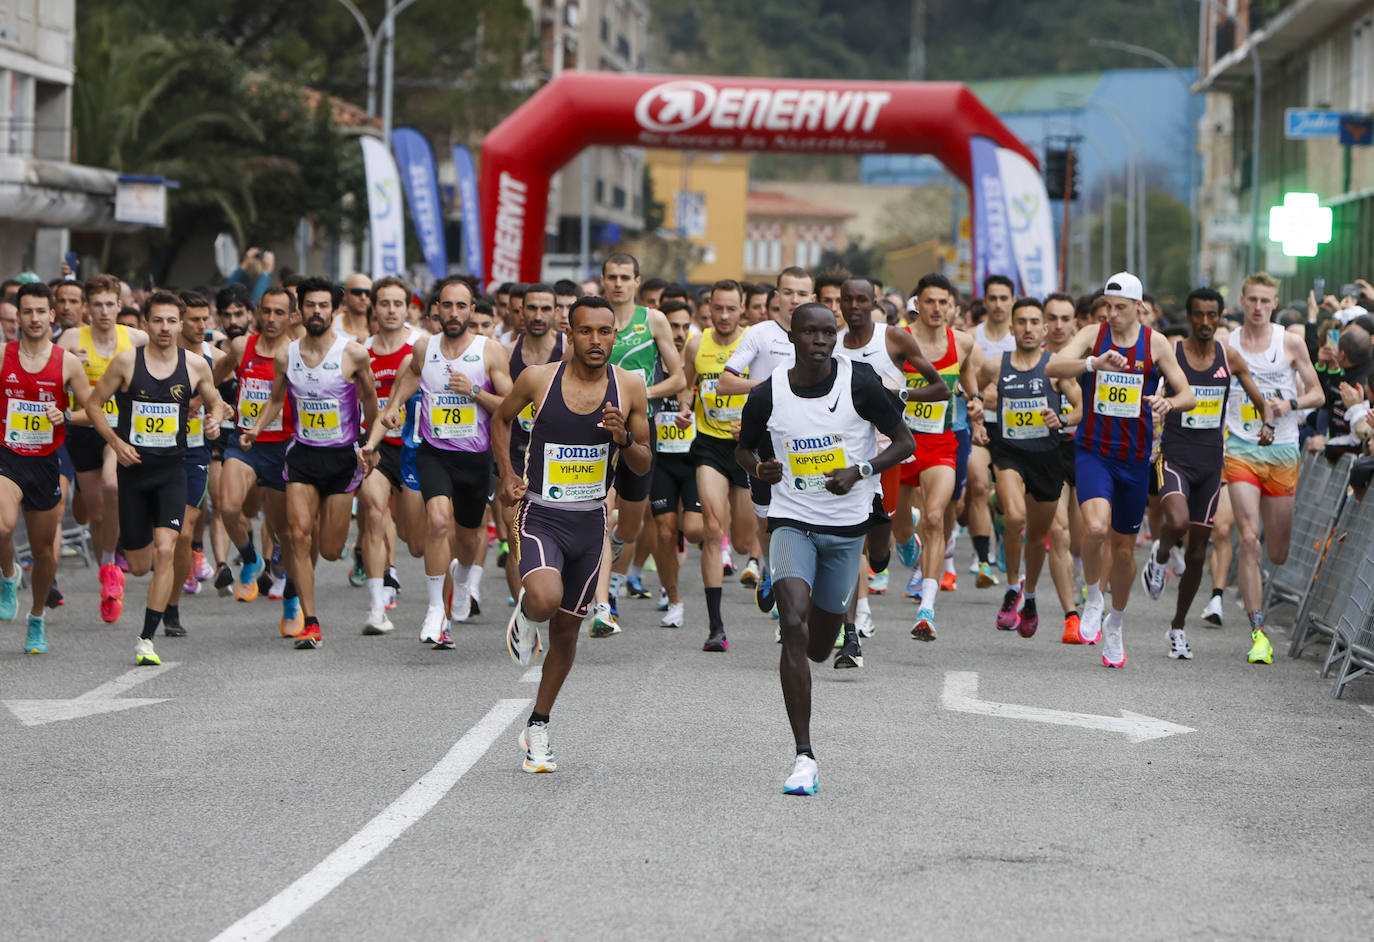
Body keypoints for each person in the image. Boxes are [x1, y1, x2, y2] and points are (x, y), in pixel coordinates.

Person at [735, 302, 913, 795]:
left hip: (847, 529)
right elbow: (744, 448)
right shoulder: (767, 393)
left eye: (826, 332)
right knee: (792, 623)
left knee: (817, 646)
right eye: (809, 333)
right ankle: (804, 756)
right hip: (791, 521)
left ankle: (823, 617)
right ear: (791, 338)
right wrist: (758, 469)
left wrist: (859, 471)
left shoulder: (858, 382)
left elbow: (904, 442)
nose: (819, 340)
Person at [492, 296, 652, 773]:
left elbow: (644, 464)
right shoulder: (539, 379)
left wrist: (624, 439)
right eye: (586, 332)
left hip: (590, 524)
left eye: (605, 332)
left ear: (615, 336)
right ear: (571, 333)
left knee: (565, 633)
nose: (596, 341)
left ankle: (537, 726)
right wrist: (505, 474)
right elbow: (501, 420)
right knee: (543, 599)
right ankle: (526, 610)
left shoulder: (630, 389)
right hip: (540, 512)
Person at [1047, 272, 1195, 669]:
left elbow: (1189, 393)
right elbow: (1053, 367)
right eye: (1107, 307)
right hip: (1094, 451)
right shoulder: (1095, 335)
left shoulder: (1156, 343)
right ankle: (1093, 597)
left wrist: (1169, 404)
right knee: (1095, 528)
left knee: (1125, 551)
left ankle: (1116, 622)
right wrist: (1092, 363)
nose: (1111, 314)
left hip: (1134, 458)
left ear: (1138, 308)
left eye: (1120, 308)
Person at [85, 291, 225, 666]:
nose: (165, 328)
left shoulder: (195, 366)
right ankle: (122, 574)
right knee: (141, 564)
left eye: (171, 321)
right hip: (134, 473)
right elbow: (93, 404)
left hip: (171, 471)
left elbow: (216, 402)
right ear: (146, 324)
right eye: (158, 321)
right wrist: (115, 442)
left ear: (181, 325)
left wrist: (215, 419)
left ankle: (146, 638)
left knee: (167, 549)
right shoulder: (127, 362)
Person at [376, 275, 512, 647]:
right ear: (436, 309)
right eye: (446, 305)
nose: (453, 313)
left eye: (461, 306)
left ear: (472, 309)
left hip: (475, 457)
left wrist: (475, 392)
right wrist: (394, 406)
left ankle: (464, 578)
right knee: (437, 522)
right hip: (435, 453)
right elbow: (412, 378)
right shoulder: (425, 346)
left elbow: (512, 405)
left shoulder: (490, 351)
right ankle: (436, 609)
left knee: (468, 539)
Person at [244, 277, 377, 649]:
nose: (316, 312)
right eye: (310, 305)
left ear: (334, 311)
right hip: (302, 456)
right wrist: (255, 429)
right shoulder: (287, 354)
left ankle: (346, 548)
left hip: (341, 459)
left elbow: (369, 398)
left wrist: (371, 441)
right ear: (299, 310)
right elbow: (275, 398)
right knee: (297, 537)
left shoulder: (353, 354)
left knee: (330, 549)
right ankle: (311, 622)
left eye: (324, 305)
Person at [1140, 287, 1271, 658]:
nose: (1206, 322)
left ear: (1219, 316)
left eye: (1212, 315)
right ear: (1189, 315)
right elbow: (1147, 390)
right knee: (1177, 521)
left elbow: (1257, 397)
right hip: (1175, 456)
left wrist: (1267, 424)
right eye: (1199, 315)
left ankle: (1177, 628)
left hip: (1211, 463)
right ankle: (1161, 554)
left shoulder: (1228, 357)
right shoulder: (1174, 353)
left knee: (1198, 552)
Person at [834, 277, 945, 650]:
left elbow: (940, 388)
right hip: (844, 455)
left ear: (873, 302)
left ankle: (901, 537)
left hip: (888, 453)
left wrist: (898, 392)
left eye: (861, 300)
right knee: (849, 539)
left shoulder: (893, 338)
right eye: (846, 299)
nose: (853, 306)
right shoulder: (830, 344)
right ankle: (853, 620)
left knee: (878, 555)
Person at [1218, 272, 1323, 664]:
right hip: (1242, 447)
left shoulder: (1290, 342)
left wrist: (1287, 405)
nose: (1258, 307)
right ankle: (1258, 633)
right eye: (1252, 300)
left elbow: (1318, 393)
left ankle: (1263, 577)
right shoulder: (1226, 345)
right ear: (1242, 301)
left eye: (1265, 301)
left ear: (1274, 303)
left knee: (1276, 551)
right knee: (1249, 538)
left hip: (1281, 452)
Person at [0, 283, 101, 654]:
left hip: (46, 461)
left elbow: (92, 411)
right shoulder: (3, 355)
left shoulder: (67, 362)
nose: (34, 318)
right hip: (7, 455)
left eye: (41, 311)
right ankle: (8, 576)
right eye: (27, 311)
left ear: (51, 315)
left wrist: (66, 414)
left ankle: (37, 617)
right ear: (18, 316)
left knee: (45, 553)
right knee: (2, 525)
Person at [590, 254, 684, 637]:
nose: (617, 283)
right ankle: (600, 605)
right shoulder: (594, 320)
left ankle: (613, 548)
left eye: (624, 277)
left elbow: (677, 378)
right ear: (602, 280)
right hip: (596, 428)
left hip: (640, 430)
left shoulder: (653, 320)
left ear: (637, 281)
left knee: (629, 525)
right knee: (599, 510)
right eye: (611, 277)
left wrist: (641, 393)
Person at [976, 298, 1081, 638]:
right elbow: (973, 391)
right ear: (1011, 328)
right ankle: (1011, 587)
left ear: (1045, 328)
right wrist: (977, 417)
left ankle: (1030, 596)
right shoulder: (996, 366)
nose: (1028, 328)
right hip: (1009, 455)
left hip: (1047, 459)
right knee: (1015, 518)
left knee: (1037, 537)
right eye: (1021, 322)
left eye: (1035, 322)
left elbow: (1080, 408)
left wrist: (1062, 418)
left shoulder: (1054, 366)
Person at [718, 267, 817, 611]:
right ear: (775, 297)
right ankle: (772, 570)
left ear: (812, 298)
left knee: (806, 516)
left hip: (808, 441)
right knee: (767, 519)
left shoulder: (821, 336)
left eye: (801, 294)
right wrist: (768, 387)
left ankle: (797, 583)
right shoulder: (759, 335)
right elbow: (725, 382)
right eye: (787, 292)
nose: (794, 300)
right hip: (763, 440)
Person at [892, 273, 981, 642]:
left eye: (943, 302)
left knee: (933, 517)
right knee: (899, 525)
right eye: (929, 301)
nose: (937, 309)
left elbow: (969, 383)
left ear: (952, 306)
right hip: (898, 443)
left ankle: (927, 607)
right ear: (917, 303)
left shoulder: (962, 343)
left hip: (941, 442)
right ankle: (903, 541)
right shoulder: (897, 339)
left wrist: (975, 403)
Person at [58, 274, 148, 623]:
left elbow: (174, 356)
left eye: (111, 304)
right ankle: (107, 567)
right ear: (86, 308)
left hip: (120, 430)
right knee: (95, 516)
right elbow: (47, 372)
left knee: (113, 485)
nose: (105, 311)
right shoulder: (69, 339)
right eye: (97, 305)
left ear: (119, 305)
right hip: (83, 430)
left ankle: (113, 561)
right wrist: (69, 367)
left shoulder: (136, 338)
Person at [214, 287, 301, 636]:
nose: (271, 319)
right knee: (229, 508)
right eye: (266, 311)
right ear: (256, 313)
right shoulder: (241, 347)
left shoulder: (298, 354)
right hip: (245, 443)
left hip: (282, 448)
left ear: (292, 317)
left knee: (285, 533)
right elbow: (214, 376)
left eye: (280, 313)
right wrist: (216, 403)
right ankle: (250, 558)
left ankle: (292, 602)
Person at [678, 279, 756, 652]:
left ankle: (759, 563)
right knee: (711, 528)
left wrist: (755, 421)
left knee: (741, 541)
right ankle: (715, 627)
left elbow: (770, 389)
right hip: (709, 445)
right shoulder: (698, 343)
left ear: (742, 310)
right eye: (717, 309)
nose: (723, 316)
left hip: (746, 448)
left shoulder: (754, 343)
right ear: (707, 310)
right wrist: (681, 408)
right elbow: (684, 382)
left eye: (731, 309)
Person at [357, 276, 426, 635]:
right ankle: (376, 607)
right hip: (377, 448)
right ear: (374, 307)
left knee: (416, 544)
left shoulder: (421, 348)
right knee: (372, 511)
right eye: (384, 303)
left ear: (408, 308)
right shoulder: (360, 350)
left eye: (398, 303)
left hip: (415, 451)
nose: (391, 310)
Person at [647, 300, 704, 628]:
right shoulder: (651, 364)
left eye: (685, 326)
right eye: (674, 326)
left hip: (695, 460)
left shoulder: (697, 359)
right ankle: (674, 597)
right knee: (665, 532)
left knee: (694, 528)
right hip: (661, 461)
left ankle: (688, 539)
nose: (680, 333)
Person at [964, 274, 1016, 586]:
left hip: (1015, 430)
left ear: (1012, 301)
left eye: (1003, 298)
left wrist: (995, 395)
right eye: (992, 298)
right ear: (985, 302)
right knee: (980, 487)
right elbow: (965, 386)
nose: (998, 304)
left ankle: (1006, 538)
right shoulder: (970, 338)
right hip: (980, 425)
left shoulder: (1021, 337)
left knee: (1008, 499)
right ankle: (983, 560)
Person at [334, 273, 373, 342]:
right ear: (345, 294)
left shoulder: (380, 328)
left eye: (368, 293)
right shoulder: (330, 325)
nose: (363, 297)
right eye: (357, 292)